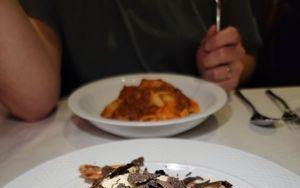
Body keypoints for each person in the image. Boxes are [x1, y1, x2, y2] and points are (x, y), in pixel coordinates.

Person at [0, 0, 261, 122]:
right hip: (80, 140)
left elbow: (249, 58)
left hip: (205, 126)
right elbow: (32, 98)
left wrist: (225, 66)